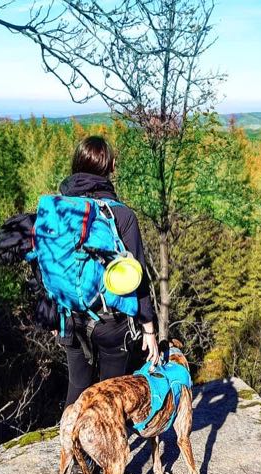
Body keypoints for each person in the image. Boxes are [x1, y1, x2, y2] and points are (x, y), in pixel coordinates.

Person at [51, 136, 159, 408]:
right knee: (111, 398)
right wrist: (149, 330)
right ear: (110, 167)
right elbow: (138, 277)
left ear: (76, 166)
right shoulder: (122, 216)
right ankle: (107, 447)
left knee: (76, 390)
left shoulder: (60, 210)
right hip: (112, 322)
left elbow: (48, 264)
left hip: (70, 317)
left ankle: (70, 448)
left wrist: (51, 316)